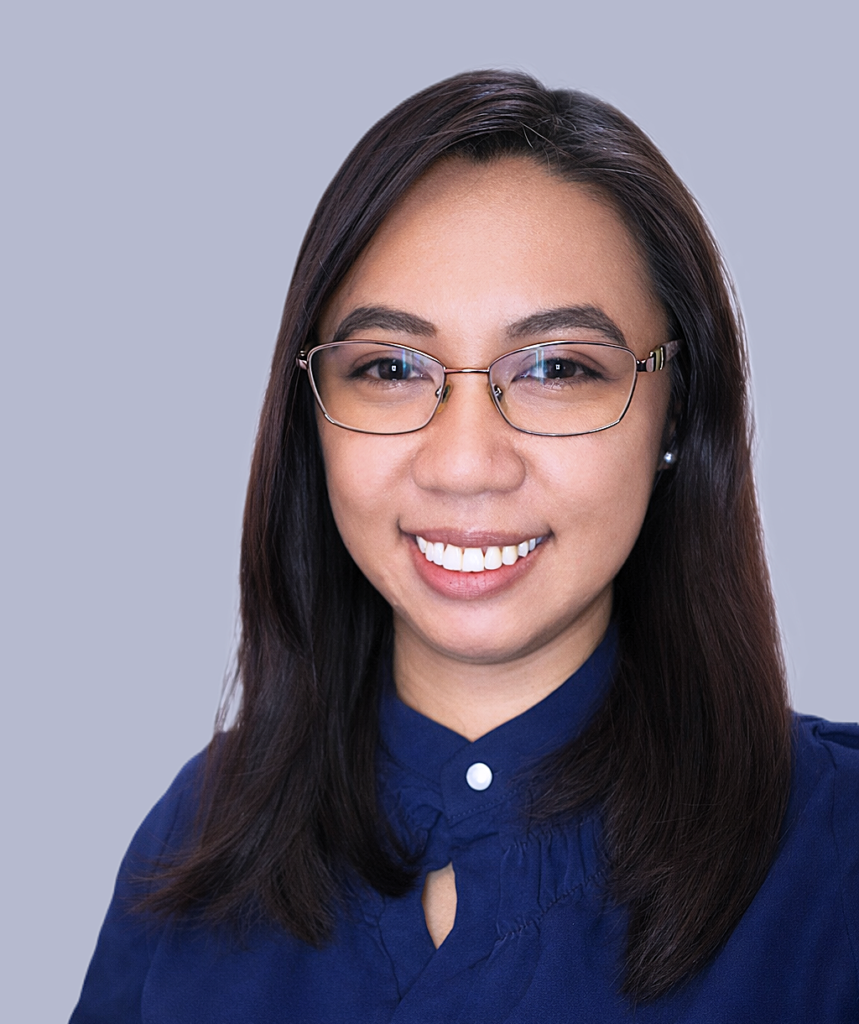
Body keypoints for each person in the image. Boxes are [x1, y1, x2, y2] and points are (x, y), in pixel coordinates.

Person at [70, 70, 859, 1022]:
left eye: (556, 368)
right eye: (390, 368)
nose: (464, 464)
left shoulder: (834, 855)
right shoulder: (198, 834)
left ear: (676, 412)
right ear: (311, 411)